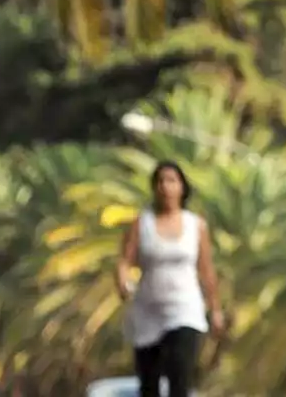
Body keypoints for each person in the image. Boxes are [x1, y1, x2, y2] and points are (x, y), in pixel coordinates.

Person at [117, 161, 225, 397]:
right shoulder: (141, 223)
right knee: (149, 385)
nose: (165, 186)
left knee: (180, 378)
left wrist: (215, 309)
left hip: (185, 309)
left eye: (171, 180)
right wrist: (123, 282)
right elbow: (125, 260)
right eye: (160, 181)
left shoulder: (196, 225)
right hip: (148, 311)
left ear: (182, 187)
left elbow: (206, 269)